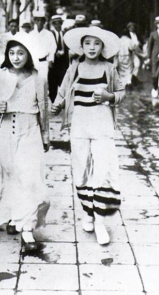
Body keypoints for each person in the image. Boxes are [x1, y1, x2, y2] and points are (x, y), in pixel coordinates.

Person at [52, 27, 125, 245]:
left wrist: (109, 96)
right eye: (88, 43)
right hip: (79, 125)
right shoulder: (74, 68)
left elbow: (121, 93)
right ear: (81, 46)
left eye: (96, 43)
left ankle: (101, 221)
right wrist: (55, 107)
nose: (92, 47)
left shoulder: (110, 68)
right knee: (81, 170)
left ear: (103, 47)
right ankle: (89, 213)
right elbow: (62, 93)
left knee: (103, 171)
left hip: (102, 125)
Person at [0, 33, 50, 251]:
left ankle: (27, 229)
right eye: (12, 53)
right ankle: (14, 219)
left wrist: (45, 135)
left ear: (29, 55)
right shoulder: (0, 75)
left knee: (31, 179)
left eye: (20, 53)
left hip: (30, 130)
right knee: (9, 177)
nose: (16, 57)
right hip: (5, 131)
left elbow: (44, 106)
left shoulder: (38, 78)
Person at [30, 11, 57, 81]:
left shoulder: (49, 34)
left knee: (43, 82)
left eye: (41, 20)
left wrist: (51, 59)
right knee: (33, 82)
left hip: (44, 62)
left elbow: (53, 47)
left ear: (44, 22)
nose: (39, 22)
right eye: (37, 20)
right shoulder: (31, 34)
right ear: (35, 21)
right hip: (33, 62)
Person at [48, 15, 69, 102]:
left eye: (59, 23)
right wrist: (53, 55)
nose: (58, 25)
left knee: (64, 81)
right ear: (53, 24)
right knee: (53, 82)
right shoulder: (50, 34)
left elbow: (67, 47)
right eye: (55, 24)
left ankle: (63, 101)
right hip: (54, 61)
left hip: (63, 61)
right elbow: (48, 47)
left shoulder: (65, 34)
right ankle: (54, 101)